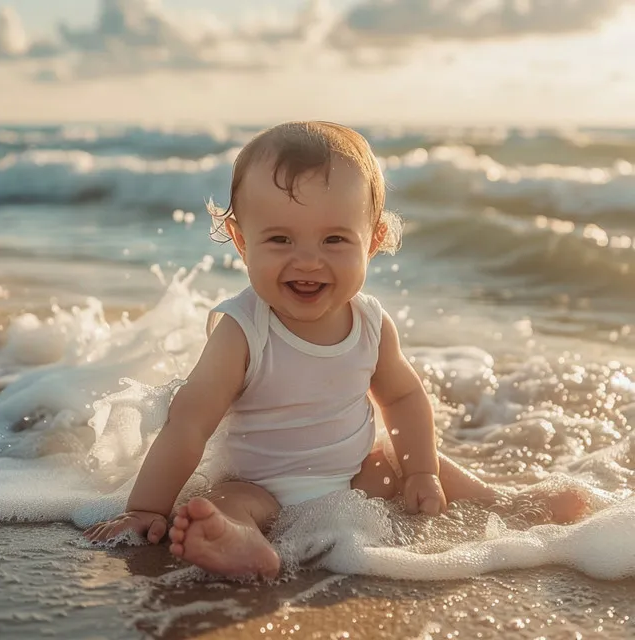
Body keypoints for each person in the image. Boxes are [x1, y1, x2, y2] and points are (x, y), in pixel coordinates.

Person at [84, 121, 588, 578]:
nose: (308, 261)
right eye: (280, 238)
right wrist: (147, 508)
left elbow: (405, 399)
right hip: (262, 488)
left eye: (334, 240)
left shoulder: (371, 323)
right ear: (240, 240)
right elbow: (188, 421)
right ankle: (241, 545)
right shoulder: (243, 329)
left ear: (374, 240)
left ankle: (507, 504)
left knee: (415, 463)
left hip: (355, 476)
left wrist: (421, 471)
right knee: (225, 502)